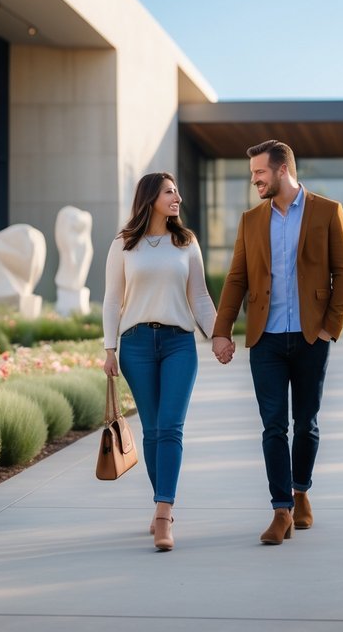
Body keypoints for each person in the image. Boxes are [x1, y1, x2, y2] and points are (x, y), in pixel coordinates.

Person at [212, 140, 343, 545]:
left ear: (281, 170)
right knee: (273, 426)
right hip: (266, 339)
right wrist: (222, 330)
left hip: (312, 336)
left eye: (259, 172)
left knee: (306, 423)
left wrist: (330, 327)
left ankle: (301, 490)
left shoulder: (328, 212)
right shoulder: (251, 220)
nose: (253, 179)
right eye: (253, 173)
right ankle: (281, 510)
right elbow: (237, 277)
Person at [102, 172, 216, 552]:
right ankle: (160, 501)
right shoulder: (124, 244)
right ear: (150, 197)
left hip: (179, 343)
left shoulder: (186, 242)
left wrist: (219, 336)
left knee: (170, 427)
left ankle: (164, 513)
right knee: (152, 431)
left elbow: (200, 297)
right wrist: (109, 349)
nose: (178, 197)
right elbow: (112, 299)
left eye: (177, 191)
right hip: (135, 346)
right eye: (170, 192)